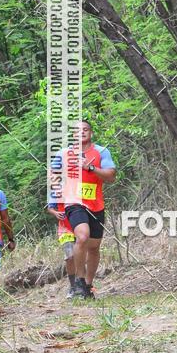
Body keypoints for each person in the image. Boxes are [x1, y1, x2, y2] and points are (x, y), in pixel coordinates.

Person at [50, 120, 116, 299]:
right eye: (78, 131)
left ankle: (87, 285)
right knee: (82, 236)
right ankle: (78, 281)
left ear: (90, 133)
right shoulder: (63, 154)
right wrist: (54, 197)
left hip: (95, 204)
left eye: (85, 130)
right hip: (73, 202)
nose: (82, 133)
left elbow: (111, 176)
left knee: (94, 247)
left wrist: (91, 167)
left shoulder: (101, 152)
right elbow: (52, 175)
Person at [47, 201, 77, 298]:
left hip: (79, 224)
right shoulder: (57, 186)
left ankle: (85, 284)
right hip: (65, 228)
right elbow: (50, 207)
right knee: (70, 256)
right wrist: (55, 213)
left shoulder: (79, 185)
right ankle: (73, 287)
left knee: (82, 256)